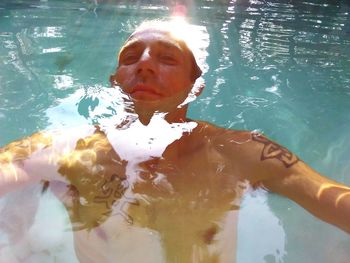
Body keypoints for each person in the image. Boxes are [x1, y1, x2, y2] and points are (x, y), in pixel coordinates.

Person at [0, 19, 349, 263]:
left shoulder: (242, 153)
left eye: (167, 58)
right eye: (131, 57)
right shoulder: (68, 150)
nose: (145, 65)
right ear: (114, 79)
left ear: (196, 86)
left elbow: (330, 199)